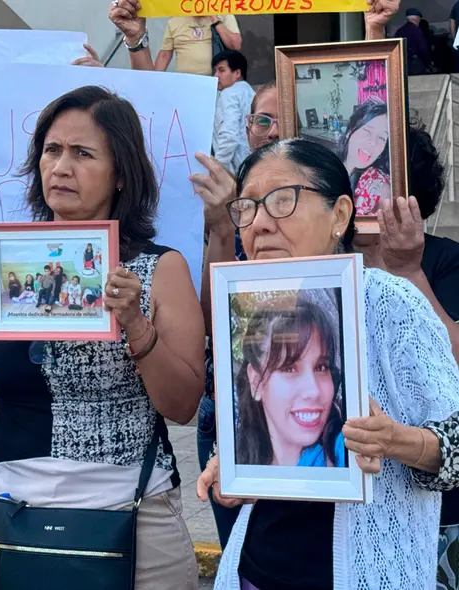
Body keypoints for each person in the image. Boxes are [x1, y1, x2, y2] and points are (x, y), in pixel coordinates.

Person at [0, 86, 205, 588]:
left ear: (121, 173)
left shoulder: (159, 269)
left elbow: (184, 404)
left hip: (135, 523)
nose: (61, 167)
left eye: (83, 153)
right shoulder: (8, 267)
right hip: (14, 522)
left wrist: (136, 326)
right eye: (52, 150)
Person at [197, 138, 459, 589]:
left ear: (339, 215)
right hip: (254, 571)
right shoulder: (249, 307)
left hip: (366, 573)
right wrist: (234, 466)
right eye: (247, 207)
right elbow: (255, 434)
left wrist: (396, 441)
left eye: (282, 200)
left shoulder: (387, 301)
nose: (260, 223)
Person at [350, 125, 459, 586]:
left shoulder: (444, 260)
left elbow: (452, 364)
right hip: (350, 508)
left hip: (434, 499)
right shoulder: (324, 265)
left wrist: (408, 272)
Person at [233, 289, 348, 468]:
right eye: (289, 368)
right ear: (256, 381)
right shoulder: (239, 464)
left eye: (321, 367)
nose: (313, 391)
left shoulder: (346, 453)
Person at [109, 0, 240, 76]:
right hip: (185, 86)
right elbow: (164, 55)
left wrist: (215, 19)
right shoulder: (174, 21)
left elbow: (236, 45)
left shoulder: (224, 14)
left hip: (219, 85)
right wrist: (153, 79)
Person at [337, 100, 391, 215]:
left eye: (382, 138)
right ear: (350, 130)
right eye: (367, 130)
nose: (373, 142)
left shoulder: (380, 187)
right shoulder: (324, 169)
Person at [212, 50, 255, 175]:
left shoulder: (229, 93)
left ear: (237, 73)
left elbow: (229, 135)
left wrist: (217, 169)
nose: (216, 76)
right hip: (253, 163)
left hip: (235, 168)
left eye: (221, 70)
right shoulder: (251, 93)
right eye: (215, 71)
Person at [395, 7, 432, 75]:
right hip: (416, 64)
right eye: (419, 19)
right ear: (416, 19)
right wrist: (428, 63)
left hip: (403, 64)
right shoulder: (417, 30)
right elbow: (423, 49)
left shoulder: (399, 31)